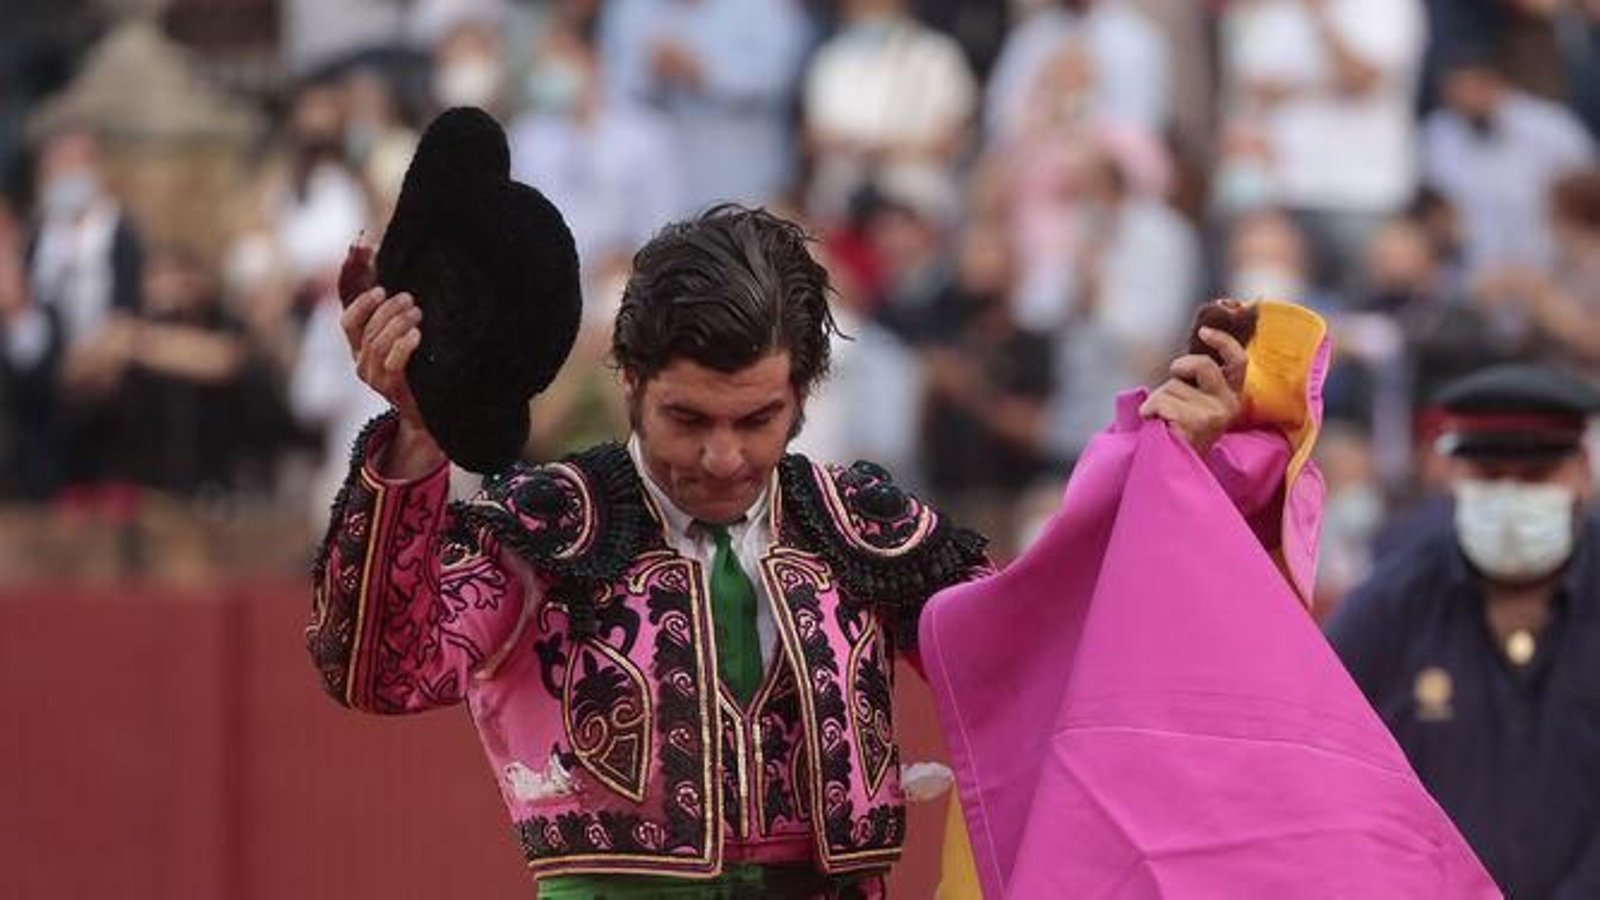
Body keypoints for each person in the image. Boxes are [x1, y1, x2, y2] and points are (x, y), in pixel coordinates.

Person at [308, 189, 1258, 892]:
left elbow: (1056, 657)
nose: (723, 457)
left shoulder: (861, 528)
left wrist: (1181, 467)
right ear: (630, 380)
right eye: (688, 419)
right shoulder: (549, 526)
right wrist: (417, 444)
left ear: (803, 394)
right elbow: (382, 671)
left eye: (758, 419)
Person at [1326, 362, 1600, 898]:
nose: (1511, 497)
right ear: (1452, 475)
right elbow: (1328, 765)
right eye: (1489, 475)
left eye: (1535, 477)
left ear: (1582, 474)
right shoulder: (1392, 606)